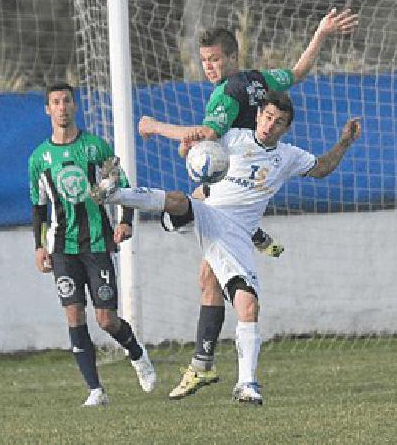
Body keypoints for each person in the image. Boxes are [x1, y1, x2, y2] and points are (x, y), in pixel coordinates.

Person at [137, 8, 359, 399]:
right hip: (241, 180)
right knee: (207, 277)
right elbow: (298, 72)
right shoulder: (261, 79)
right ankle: (203, 365)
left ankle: (210, 366)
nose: (208, 67)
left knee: (202, 244)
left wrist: (155, 126)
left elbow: (205, 132)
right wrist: (320, 32)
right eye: (204, 61)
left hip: (232, 186)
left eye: (215, 59)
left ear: (232, 57)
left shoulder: (226, 93)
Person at [93, 90, 361, 405]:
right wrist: (178, 143)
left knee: (248, 306)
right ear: (259, 114)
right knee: (181, 200)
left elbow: (322, 168)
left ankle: (246, 384)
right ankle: (112, 194)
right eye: (267, 116)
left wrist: (344, 142)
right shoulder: (233, 137)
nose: (270, 125)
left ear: (286, 129)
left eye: (279, 122)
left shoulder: (288, 157)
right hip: (208, 213)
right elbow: (198, 143)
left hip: (234, 237)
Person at [28, 83, 157, 407]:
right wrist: (38, 246)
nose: (61, 107)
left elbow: (122, 184)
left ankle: (137, 354)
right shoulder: (38, 159)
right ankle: (96, 390)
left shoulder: (96, 147)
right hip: (61, 248)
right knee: (74, 315)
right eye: (55, 102)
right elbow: (38, 205)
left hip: (97, 243)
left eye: (66, 101)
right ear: (47, 109)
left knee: (106, 319)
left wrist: (125, 219)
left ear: (75, 106)